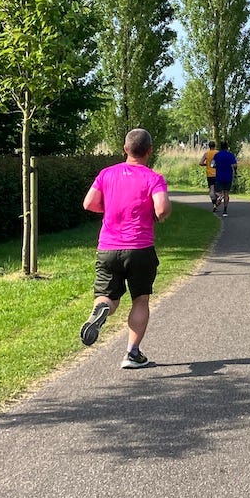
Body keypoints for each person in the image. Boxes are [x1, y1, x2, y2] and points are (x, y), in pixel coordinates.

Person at [79, 128, 171, 369]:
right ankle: (132, 353)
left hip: (108, 248)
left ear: (125, 149)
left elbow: (89, 203)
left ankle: (101, 311)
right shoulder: (153, 178)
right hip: (140, 248)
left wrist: (109, 210)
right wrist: (158, 216)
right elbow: (161, 209)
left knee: (108, 297)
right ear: (149, 151)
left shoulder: (106, 174)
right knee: (140, 300)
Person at [211, 140, 238, 217]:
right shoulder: (231, 155)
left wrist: (217, 166)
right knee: (227, 193)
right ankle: (225, 210)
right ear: (227, 147)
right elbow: (235, 165)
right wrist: (235, 172)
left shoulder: (217, 155)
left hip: (219, 176)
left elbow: (212, 165)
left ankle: (220, 197)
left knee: (216, 191)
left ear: (220, 147)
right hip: (228, 176)